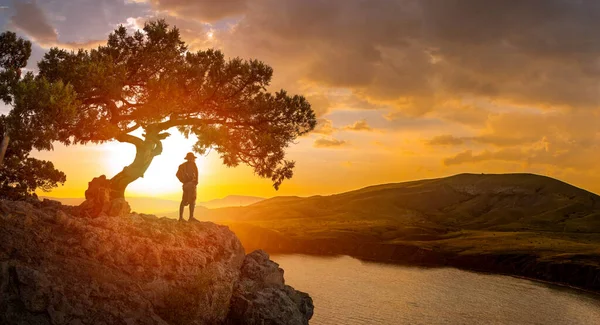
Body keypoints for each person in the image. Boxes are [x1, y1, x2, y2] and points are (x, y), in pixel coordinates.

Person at [176, 152, 199, 222]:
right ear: (192, 158)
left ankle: (180, 218)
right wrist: (195, 182)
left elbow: (177, 174)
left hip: (185, 185)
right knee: (192, 200)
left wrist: (183, 181)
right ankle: (191, 217)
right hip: (191, 185)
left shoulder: (182, 166)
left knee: (184, 200)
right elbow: (196, 175)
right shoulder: (193, 164)